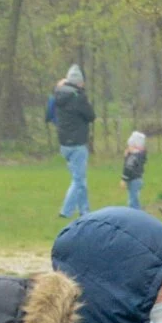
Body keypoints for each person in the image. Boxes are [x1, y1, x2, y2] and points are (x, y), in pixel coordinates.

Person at [48, 65, 96, 221]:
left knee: (80, 178)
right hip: (78, 143)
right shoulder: (78, 97)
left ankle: (85, 211)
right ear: (79, 82)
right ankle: (66, 211)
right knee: (79, 180)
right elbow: (91, 115)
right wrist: (82, 93)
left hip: (64, 143)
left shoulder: (58, 94)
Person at [120, 132, 148, 212]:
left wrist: (123, 179)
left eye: (129, 146)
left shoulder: (132, 157)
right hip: (139, 179)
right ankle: (137, 211)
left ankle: (135, 214)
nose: (128, 148)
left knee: (132, 200)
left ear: (134, 146)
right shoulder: (141, 155)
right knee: (135, 197)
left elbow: (128, 168)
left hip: (132, 179)